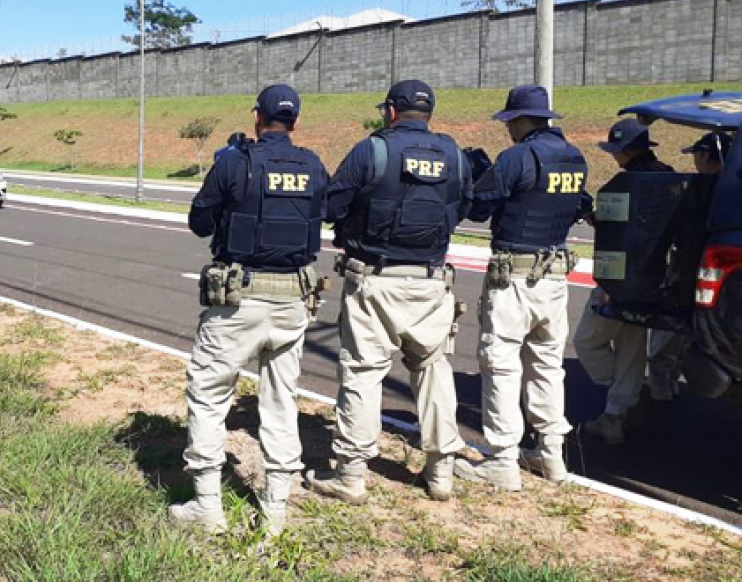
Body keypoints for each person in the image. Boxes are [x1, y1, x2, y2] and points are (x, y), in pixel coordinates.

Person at [170, 84, 329, 536]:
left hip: (238, 299)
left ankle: (207, 506)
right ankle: (275, 509)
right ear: (295, 122)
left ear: (257, 117)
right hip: (293, 301)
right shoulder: (313, 165)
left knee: (210, 393)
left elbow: (199, 222)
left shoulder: (234, 163)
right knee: (281, 401)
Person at [306, 79, 472, 504]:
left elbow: (330, 207)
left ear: (392, 112)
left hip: (374, 279)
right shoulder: (454, 155)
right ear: (429, 114)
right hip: (432, 281)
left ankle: (352, 475)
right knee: (434, 371)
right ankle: (441, 473)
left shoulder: (372, 150)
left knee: (362, 372)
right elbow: (464, 208)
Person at [455, 85, 589, 491]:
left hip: (513, 278)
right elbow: (579, 205)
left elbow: (479, 207)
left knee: (501, 363)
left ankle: (502, 459)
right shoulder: (574, 157)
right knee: (548, 365)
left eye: (510, 123)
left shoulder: (517, 157)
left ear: (519, 120)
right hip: (555, 277)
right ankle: (551, 456)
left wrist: (477, 174)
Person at [573, 119, 673, 446]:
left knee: (587, 341)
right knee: (632, 346)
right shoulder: (669, 176)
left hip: (620, 281)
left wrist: (594, 217)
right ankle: (615, 414)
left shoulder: (625, 184)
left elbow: (616, 236)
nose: (614, 157)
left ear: (627, 150)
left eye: (616, 151)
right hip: (657, 281)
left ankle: (627, 393)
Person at [643, 131, 736, 404]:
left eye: (696, 155)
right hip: (718, 281)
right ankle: (668, 385)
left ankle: (660, 393)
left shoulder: (704, 189)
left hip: (692, 273)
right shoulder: (730, 188)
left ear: (706, 156)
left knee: (666, 338)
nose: (694, 161)